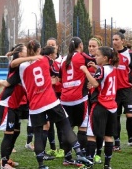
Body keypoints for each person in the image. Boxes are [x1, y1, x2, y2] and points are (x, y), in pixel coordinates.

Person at [12, 39, 93, 169]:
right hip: (50, 100)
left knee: (38, 133)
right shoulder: (45, 60)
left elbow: (13, 64)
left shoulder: (21, 67)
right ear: (39, 50)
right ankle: (79, 153)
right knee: (65, 125)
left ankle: (41, 165)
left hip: (35, 105)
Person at [80, 46, 119, 169]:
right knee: (108, 136)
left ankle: (89, 164)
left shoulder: (101, 69)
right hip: (112, 106)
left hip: (100, 105)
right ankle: (107, 165)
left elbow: (96, 83)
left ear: (105, 58)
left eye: (97, 55)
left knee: (91, 135)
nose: (95, 57)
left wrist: (86, 71)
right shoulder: (113, 68)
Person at [59, 37, 95, 166]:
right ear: (80, 45)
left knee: (68, 129)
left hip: (64, 99)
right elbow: (96, 60)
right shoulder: (82, 57)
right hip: (79, 98)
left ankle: (67, 157)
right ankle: (82, 154)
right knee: (83, 127)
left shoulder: (63, 59)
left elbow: (60, 78)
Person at [0, 44, 27, 169]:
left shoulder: (23, 66)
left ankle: (7, 159)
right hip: (7, 103)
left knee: (15, 132)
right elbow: (13, 63)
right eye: (25, 50)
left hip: (15, 105)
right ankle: (3, 164)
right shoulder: (16, 65)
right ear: (20, 54)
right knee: (8, 134)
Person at [112, 29, 132, 155]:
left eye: (116, 39)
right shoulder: (111, 54)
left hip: (127, 90)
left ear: (122, 41)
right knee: (115, 117)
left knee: (130, 115)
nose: (114, 42)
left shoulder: (130, 54)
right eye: (113, 40)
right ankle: (117, 143)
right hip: (113, 91)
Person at [85, 36, 104, 165]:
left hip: (100, 99)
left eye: (94, 46)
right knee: (89, 126)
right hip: (87, 97)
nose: (91, 49)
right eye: (89, 46)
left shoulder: (103, 61)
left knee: (99, 126)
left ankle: (98, 153)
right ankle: (89, 152)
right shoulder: (84, 60)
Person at [44, 38, 64, 158]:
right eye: (49, 45)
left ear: (57, 47)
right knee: (49, 123)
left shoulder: (62, 61)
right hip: (48, 96)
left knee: (60, 123)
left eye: (53, 45)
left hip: (60, 95)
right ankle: (52, 148)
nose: (51, 47)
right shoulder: (44, 62)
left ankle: (61, 149)